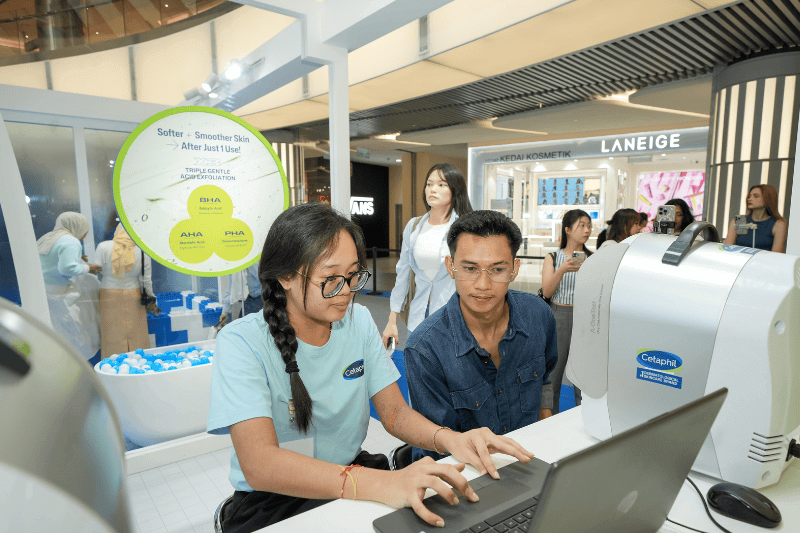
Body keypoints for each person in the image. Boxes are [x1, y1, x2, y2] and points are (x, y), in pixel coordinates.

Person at [207, 204, 534, 533]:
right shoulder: (241, 342)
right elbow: (260, 465)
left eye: (352, 276)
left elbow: (394, 414)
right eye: (331, 279)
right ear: (286, 277)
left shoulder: (358, 320)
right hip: (276, 499)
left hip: (350, 474)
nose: (346, 291)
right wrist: (380, 484)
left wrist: (450, 439)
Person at [403, 210, 558, 463]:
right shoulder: (425, 349)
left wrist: (545, 434)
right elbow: (438, 444)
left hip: (528, 460)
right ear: (450, 267)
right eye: (470, 268)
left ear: (514, 269)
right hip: (464, 474)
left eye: (497, 269)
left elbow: (544, 378)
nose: (483, 284)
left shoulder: (538, 315)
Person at [382, 163, 473, 348]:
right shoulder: (414, 226)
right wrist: (392, 320)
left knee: (450, 373)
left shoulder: (465, 228)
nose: (433, 189)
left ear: (455, 190)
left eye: (441, 184)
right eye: (429, 184)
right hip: (418, 315)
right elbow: (403, 273)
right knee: (417, 369)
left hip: (455, 317)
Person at [540, 210, 592, 414]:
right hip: (558, 315)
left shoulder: (593, 258)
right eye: (582, 225)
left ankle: (584, 415)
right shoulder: (553, 257)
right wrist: (562, 269)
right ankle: (549, 418)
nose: (587, 230)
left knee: (583, 372)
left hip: (584, 317)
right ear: (568, 230)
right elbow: (547, 291)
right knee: (554, 371)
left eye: (589, 225)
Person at [37, 212, 102, 359]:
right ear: (76, 226)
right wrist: (88, 268)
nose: (84, 235)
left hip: (46, 293)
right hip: (62, 295)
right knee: (75, 331)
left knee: (58, 332)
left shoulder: (47, 238)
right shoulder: (70, 241)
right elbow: (66, 268)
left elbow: (51, 261)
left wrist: (78, 258)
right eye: (84, 230)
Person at [94, 224, 157, 358]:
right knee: (136, 332)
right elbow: (146, 281)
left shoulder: (103, 247)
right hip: (133, 294)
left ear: (117, 230)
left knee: (111, 332)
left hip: (108, 294)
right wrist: (151, 299)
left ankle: (112, 363)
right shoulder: (142, 250)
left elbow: (95, 271)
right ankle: (139, 360)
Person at [723, 184, 787, 252]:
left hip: (764, 262)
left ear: (768, 199)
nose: (749, 199)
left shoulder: (778, 224)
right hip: (741, 261)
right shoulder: (740, 221)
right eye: (749, 196)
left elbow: (776, 255)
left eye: (756, 196)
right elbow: (727, 249)